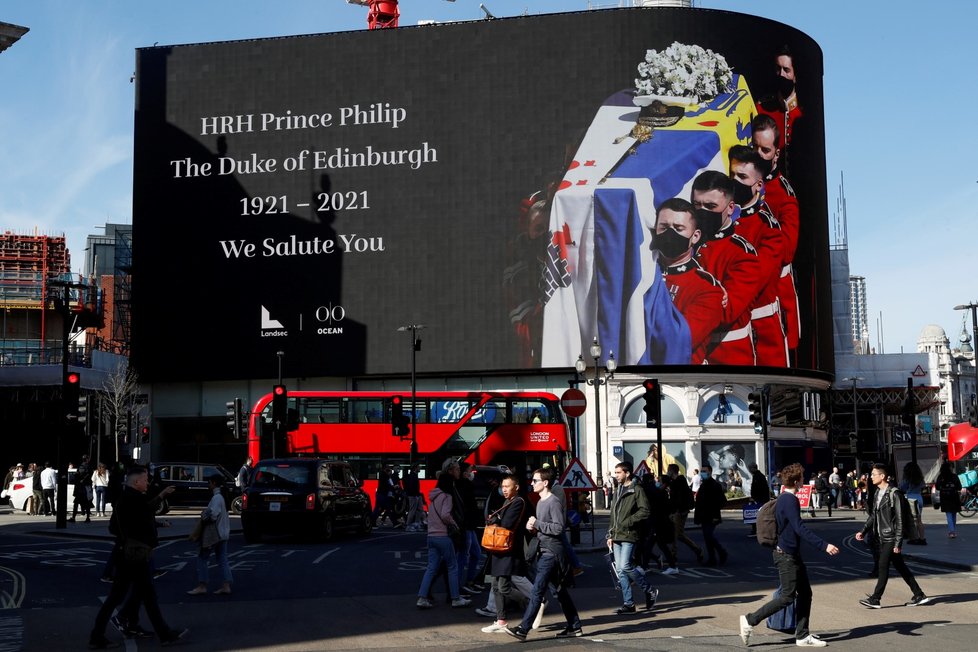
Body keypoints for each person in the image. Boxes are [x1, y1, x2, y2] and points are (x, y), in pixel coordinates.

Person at [739, 463, 839, 648]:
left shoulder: (785, 498)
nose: (803, 479)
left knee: (805, 593)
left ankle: (802, 635)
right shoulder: (789, 500)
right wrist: (824, 545)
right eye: (801, 477)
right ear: (797, 480)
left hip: (791, 554)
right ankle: (750, 619)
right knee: (787, 596)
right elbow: (799, 527)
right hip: (785, 555)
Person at [89, 465, 188, 649]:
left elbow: (116, 526)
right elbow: (144, 513)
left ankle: (105, 632)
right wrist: (161, 496)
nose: (148, 483)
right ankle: (165, 635)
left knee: (123, 596)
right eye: (145, 480)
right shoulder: (132, 499)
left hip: (126, 553)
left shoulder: (126, 499)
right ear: (136, 482)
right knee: (147, 596)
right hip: (135, 555)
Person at [690, 171, 760, 365]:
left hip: (726, 356)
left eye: (711, 206)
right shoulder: (688, 240)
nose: (702, 211)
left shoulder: (743, 253)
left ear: (730, 208)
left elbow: (726, 313)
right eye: (697, 205)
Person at [506, 467, 583, 641]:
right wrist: (533, 528)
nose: (532, 484)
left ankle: (523, 629)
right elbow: (545, 529)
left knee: (537, 591)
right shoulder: (540, 502)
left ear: (545, 483)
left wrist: (538, 524)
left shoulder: (553, 501)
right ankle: (575, 626)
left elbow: (558, 527)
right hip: (544, 550)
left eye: (535, 481)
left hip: (552, 553)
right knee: (559, 592)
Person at [728, 145, 787, 367]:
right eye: (732, 175)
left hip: (761, 330)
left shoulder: (768, 228)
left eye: (742, 176)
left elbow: (755, 280)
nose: (735, 181)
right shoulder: (722, 220)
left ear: (758, 185)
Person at [650, 199, 726, 364]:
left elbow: (677, 342)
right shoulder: (644, 272)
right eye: (663, 227)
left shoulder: (707, 290)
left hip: (680, 379)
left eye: (679, 229)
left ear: (695, 236)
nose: (670, 235)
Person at [751, 113, 801, 362]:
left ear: (776, 154)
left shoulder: (784, 195)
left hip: (774, 295)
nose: (759, 154)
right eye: (755, 147)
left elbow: (787, 251)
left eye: (766, 150)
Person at [855, 463, 931, 608]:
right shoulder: (878, 492)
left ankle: (875, 599)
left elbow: (900, 520)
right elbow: (874, 515)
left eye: (873, 474)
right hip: (882, 537)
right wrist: (863, 531)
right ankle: (919, 594)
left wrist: (898, 543)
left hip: (891, 537)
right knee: (901, 567)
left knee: (883, 565)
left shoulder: (895, 494)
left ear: (882, 476)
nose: (870, 477)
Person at [606, 461, 658, 615]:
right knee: (620, 571)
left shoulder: (636, 489)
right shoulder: (618, 490)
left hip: (629, 534)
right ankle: (629, 604)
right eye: (615, 473)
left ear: (627, 473)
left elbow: (645, 511)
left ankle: (649, 591)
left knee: (625, 566)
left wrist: (628, 522)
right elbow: (613, 515)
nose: (616, 476)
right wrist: (610, 534)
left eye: (618, 473)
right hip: (617, 535)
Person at [416, 463, 470, 610]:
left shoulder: (433, 497)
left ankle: (422, 597)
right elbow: (446, 515)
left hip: (431, 536)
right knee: (452, 566)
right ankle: (455, 598)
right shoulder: (447, 496)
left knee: (431, 568)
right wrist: (455, 525)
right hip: (443, 536)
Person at [480, 473, 529, 634]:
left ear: (516, 487)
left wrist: (497, 519)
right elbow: (502, 519)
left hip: (509, 549)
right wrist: (496, 518)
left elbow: (507, 523)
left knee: (503, 586)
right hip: (499, 548)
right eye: (503, 487)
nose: (504, 489)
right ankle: (501, 620)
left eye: (507, 486)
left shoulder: (518, 502)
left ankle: (530, 599)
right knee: (495, 585)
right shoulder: (508, 501)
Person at [187, 474, 233, 596]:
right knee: (222, 559)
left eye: (209, 483)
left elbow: (213, 515)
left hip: (214, 534)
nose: (208, 485)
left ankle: (202, 585)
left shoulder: (217, 498)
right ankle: (226, 585)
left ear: (213, 483)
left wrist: (204, 515)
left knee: (202, 558)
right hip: (223, 534)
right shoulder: (222, 496)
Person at [455, 462, 484, 595]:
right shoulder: (464, 485)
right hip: (465, 525)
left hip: (470, 525)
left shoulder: (465, 485)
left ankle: (469, 581)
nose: (471, 474)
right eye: (469, 471)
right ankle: (458, 586)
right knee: (463, 556)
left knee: (475, 554)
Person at [666, 463, 703, 564]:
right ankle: (696, 550)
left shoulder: (678, 482)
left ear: (672, 471)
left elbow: (679, 498)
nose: (667, 472)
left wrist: (678, 510)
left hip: (679, 512)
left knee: (675, 534)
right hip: (679, 511)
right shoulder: (677, 481)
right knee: (679, 535)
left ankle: (673, 556)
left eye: (668, 470)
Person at [693, 464, 727, 566]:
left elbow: (721, 501)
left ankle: (720, 553)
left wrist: (715, 516)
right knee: (707, 538)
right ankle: (714, 557)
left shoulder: (715, 485)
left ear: (710, 472)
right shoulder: (703, 485)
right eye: (701, 471)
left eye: (704, 471)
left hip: (712, 516)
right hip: (704, 516)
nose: (702, 473)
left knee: (709, 536)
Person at [898, 462, 926, 545]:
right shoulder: (920, 479)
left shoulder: (907, 479)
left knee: (911, 521)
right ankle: (922, 538)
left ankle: (914, 538)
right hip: (919, 497)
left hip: (911, 498)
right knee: (919, 520)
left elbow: (901, 487)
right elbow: (923, 486)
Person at [935, 462, 961, 538]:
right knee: (954, 514)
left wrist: (943, 488)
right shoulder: (954, 476)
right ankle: (952, 531)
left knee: (949, 514)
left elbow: (937, 487)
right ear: (950, 468)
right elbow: (959, 487)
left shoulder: (941, 476)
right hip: (954, 497)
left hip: (945, 498)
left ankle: (951, 531)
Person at [749, 463, 770, 536]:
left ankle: (756, 530)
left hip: (759, 499)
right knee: (760, 515)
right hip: (762, 499)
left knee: (757, 515)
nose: (749, 470)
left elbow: (757, 489)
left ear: (753, 468)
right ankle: (759, 530)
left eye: (750, 468)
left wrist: (754, 497)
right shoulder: (759, 476)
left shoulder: (757, 477)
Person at [402, 463, 425, 532]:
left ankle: (416, 524)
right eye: (419, 467)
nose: (420, 468)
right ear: (415, 468)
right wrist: (416, 495)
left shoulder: (413, 475)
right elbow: (412, 487)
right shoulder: (412, 476)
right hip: (414, 495)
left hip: (416, 495)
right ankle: (408, 525)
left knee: (419, 510)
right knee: (413, 510)